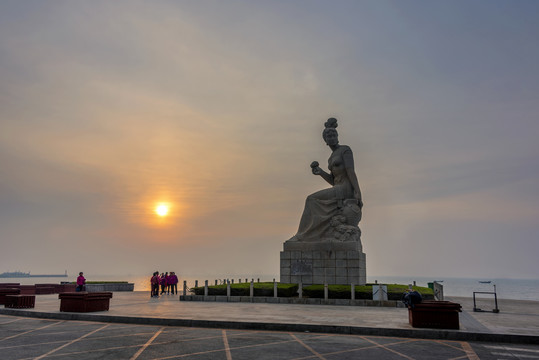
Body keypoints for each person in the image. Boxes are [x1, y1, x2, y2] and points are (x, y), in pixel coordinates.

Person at [289, 118, 363, 242]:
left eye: (334, 135)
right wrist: (321, 173)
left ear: (337, 137)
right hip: (337, 188)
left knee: (311, 199)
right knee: (312, 200)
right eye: (329, 136)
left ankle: (302, 235)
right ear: (325, 140)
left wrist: (358, 191)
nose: (332, 137)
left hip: (345, 189)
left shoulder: (345, 150)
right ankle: (308, 234)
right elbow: (334, 181)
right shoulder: (331, 158)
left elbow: (350, 171)